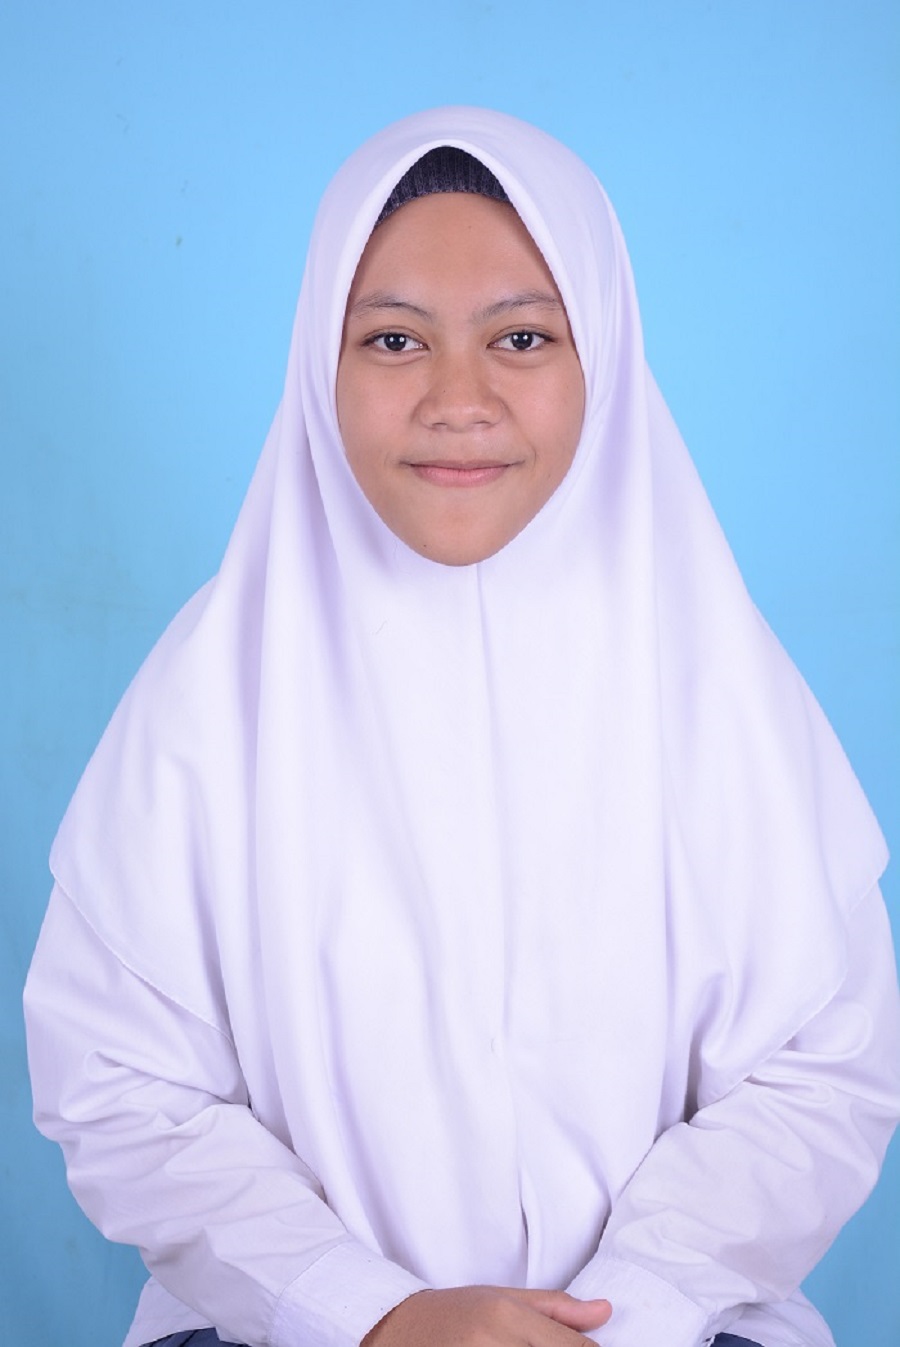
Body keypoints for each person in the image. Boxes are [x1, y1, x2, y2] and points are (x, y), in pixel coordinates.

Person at [23, 107, 900, 1347]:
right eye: (393, 340)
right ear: (318, 365)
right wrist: (369, 1314)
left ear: (604, 356)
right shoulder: (210, 697)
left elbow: (820, 1069)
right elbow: (119, 1082)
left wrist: (629, 1310)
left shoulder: (721, 687)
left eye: (522, 338)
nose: (458, 399)